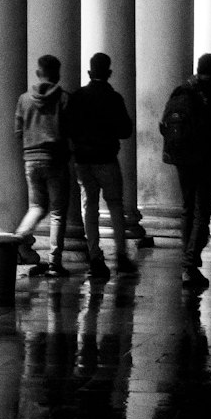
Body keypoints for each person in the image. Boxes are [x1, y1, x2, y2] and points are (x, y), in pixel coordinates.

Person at [160, 53, 211, 292]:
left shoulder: (180, 92)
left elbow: (165, 126)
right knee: (201, 213)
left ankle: (189, 263)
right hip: (208, 161)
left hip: (183, 160)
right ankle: (189, 264)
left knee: (187, 209)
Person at [65, 52, 137, 281]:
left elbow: (67, 127)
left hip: (83, 161)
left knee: (90, 208)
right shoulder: (114, 98)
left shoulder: (77, 97)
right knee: (115, 206)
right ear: (109, 73)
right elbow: (126, 130)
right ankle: (121, 255)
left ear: (89, 73)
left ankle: (95, 256)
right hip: (106, 158)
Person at [14, 54, 72, 277]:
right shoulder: (64, 98)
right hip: (56, 159)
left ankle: (19, 238)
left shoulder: (24, 99)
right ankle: (55, 262)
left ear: (38, 73)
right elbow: (70, 130)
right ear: (57, 75)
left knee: (37, 206)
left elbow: (18, 131)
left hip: (31, 159)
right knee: (57, 211)